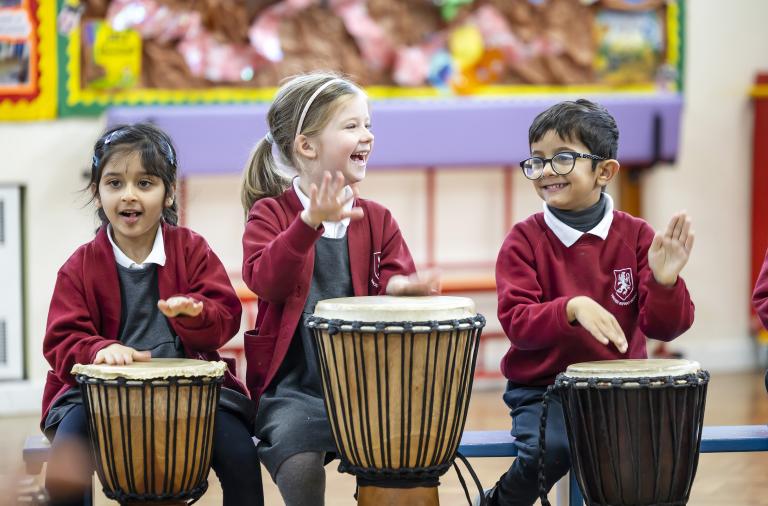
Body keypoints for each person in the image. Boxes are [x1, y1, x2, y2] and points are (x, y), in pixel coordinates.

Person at [240, 71, 439, 506]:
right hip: (293, 386)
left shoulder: (379, 217)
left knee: (407, 459)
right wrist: (308, 222)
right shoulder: (270, 214)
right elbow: (265, 281)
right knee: (299, 462)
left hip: (369, 383)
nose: (367, 136)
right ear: (307, 146)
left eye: (368, 124)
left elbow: (393, 281)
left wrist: (403, 289)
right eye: (351, 126)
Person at [485, 99, 695, 505]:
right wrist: (571, 307)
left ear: (605, 171)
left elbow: (664, 328)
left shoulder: (636, 235)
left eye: (562, 158)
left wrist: (666, 281)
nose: (546, 171)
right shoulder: (523, 240)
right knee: (551, 451)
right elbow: (517, 323)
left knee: (646, 465)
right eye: (537, 160)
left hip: (621, 390)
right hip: (545, 388)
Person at [41, 123, 263, 506]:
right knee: (65, 467)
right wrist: (99, 349)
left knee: (242, 456)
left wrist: (195, 316)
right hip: (97, 395)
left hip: (193, 393)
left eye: (145, 183)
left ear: (169, 192)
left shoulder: (192, 249)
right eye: (115, 184)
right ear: (97, 193)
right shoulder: (79, 266)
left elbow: (225, 316)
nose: (129, 196)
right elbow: (61, 340)